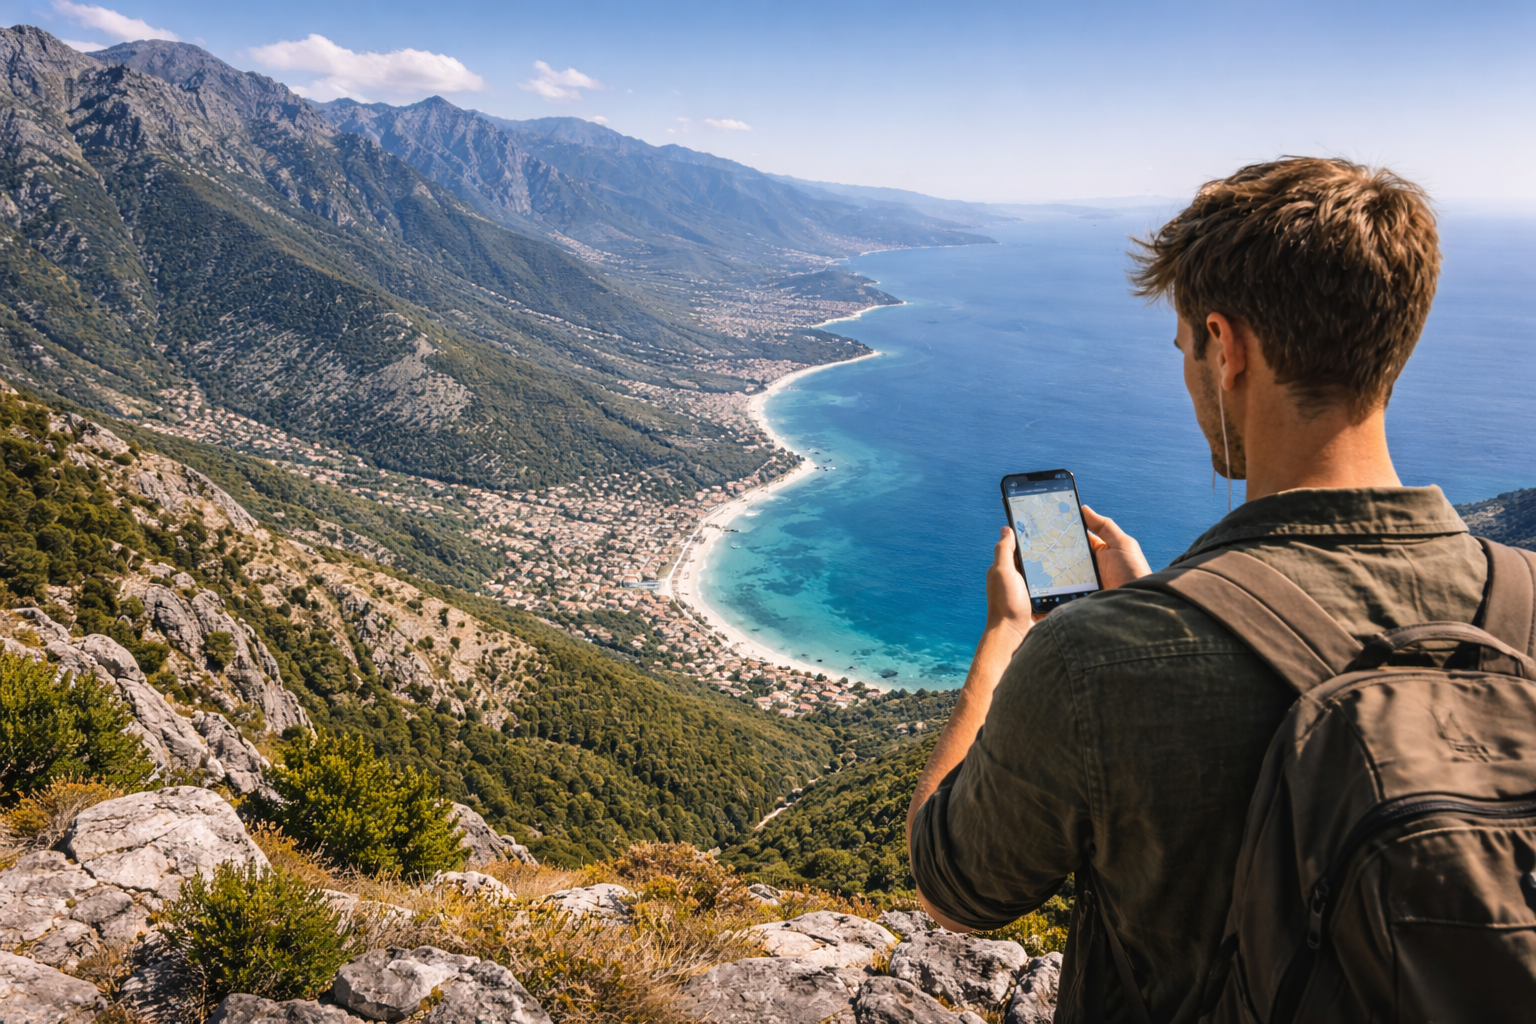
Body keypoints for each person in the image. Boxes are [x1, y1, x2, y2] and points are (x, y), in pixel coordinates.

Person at [906, 158, 1466, 1022]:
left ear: (1225, 346)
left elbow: (953, 886)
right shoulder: (1524, 602)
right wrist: (1175, 592)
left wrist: (1009, 639)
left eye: (1184, 348)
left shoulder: (1093, 665)